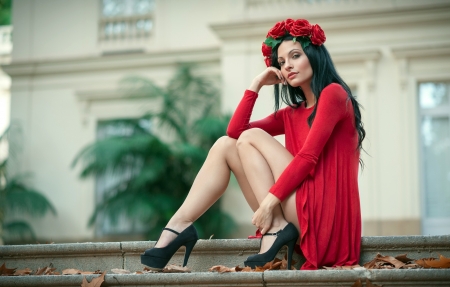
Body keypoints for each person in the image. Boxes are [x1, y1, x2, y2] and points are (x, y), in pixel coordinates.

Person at [141, 18, 365, 271]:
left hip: (325, 219)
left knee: (251, 137)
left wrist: (269, 203)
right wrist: (256, 84)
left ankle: (277, 226)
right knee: (226, 144)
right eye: (281, 62)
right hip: (297, 210)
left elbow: (308, 158)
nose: (287, 65)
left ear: (314, 55)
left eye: (295, 56)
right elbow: (234, 131)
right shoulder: (292, 113)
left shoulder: (333, 94)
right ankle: (180, 225)